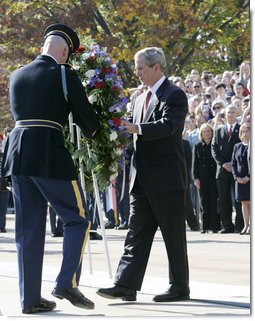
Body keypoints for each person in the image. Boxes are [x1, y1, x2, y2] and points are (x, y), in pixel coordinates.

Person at [1, 23, 100, 314]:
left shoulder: (16, 74)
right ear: (65, 51)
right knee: (77, 219)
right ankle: (66, 282)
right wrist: (100, 133)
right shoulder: (63, 73)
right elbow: (84, 115)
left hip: (18, 154)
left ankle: (29, 299)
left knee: (28, 229)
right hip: (48, 153)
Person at [97, 47, 190, 302]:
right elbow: (131, 131)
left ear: (157, 67)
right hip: (141, 179)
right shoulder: (138, 99)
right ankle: (125, 284)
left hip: (167, 179)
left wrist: (136, 127)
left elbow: (169, 126)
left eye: (141, 68)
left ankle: (180, 286)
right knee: (136, 233)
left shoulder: (175, 95)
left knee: (173, 235)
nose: (137, 73)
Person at [211, 105, 243, 233]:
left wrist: (233, 164)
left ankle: (240, 226)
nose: (230, 115)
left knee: (238, 199)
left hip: (238, 171)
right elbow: (214, 149)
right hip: (222, 171)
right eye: (228, 112)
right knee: (223, 199)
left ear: (237, 114)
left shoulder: (242, 130)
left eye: (232, 112)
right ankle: (227, 225)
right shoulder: (219, 131)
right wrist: (223, 164)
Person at [193, 124, 220, 233]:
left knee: (213, 201)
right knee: (203, 202)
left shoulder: (215, 144)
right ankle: (204, 227)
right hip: (202, 178)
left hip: (213, 177)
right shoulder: (198, 146)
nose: (207, 133)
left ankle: (215, 227)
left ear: (211, 132)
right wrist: (195, 178)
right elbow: (195, 164)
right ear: (201, 134)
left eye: (208, 131)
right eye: (205, 132)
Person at [231, 123, 251, 235]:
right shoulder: (237, 146)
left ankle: (252, 226)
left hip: (250, 179)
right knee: (244, 203)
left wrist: (248, 177)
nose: (245, 134)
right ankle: (246, 225)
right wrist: (236, 177)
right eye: (243, 131)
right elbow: (233, 163)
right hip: (239, 180)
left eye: (247, 131)